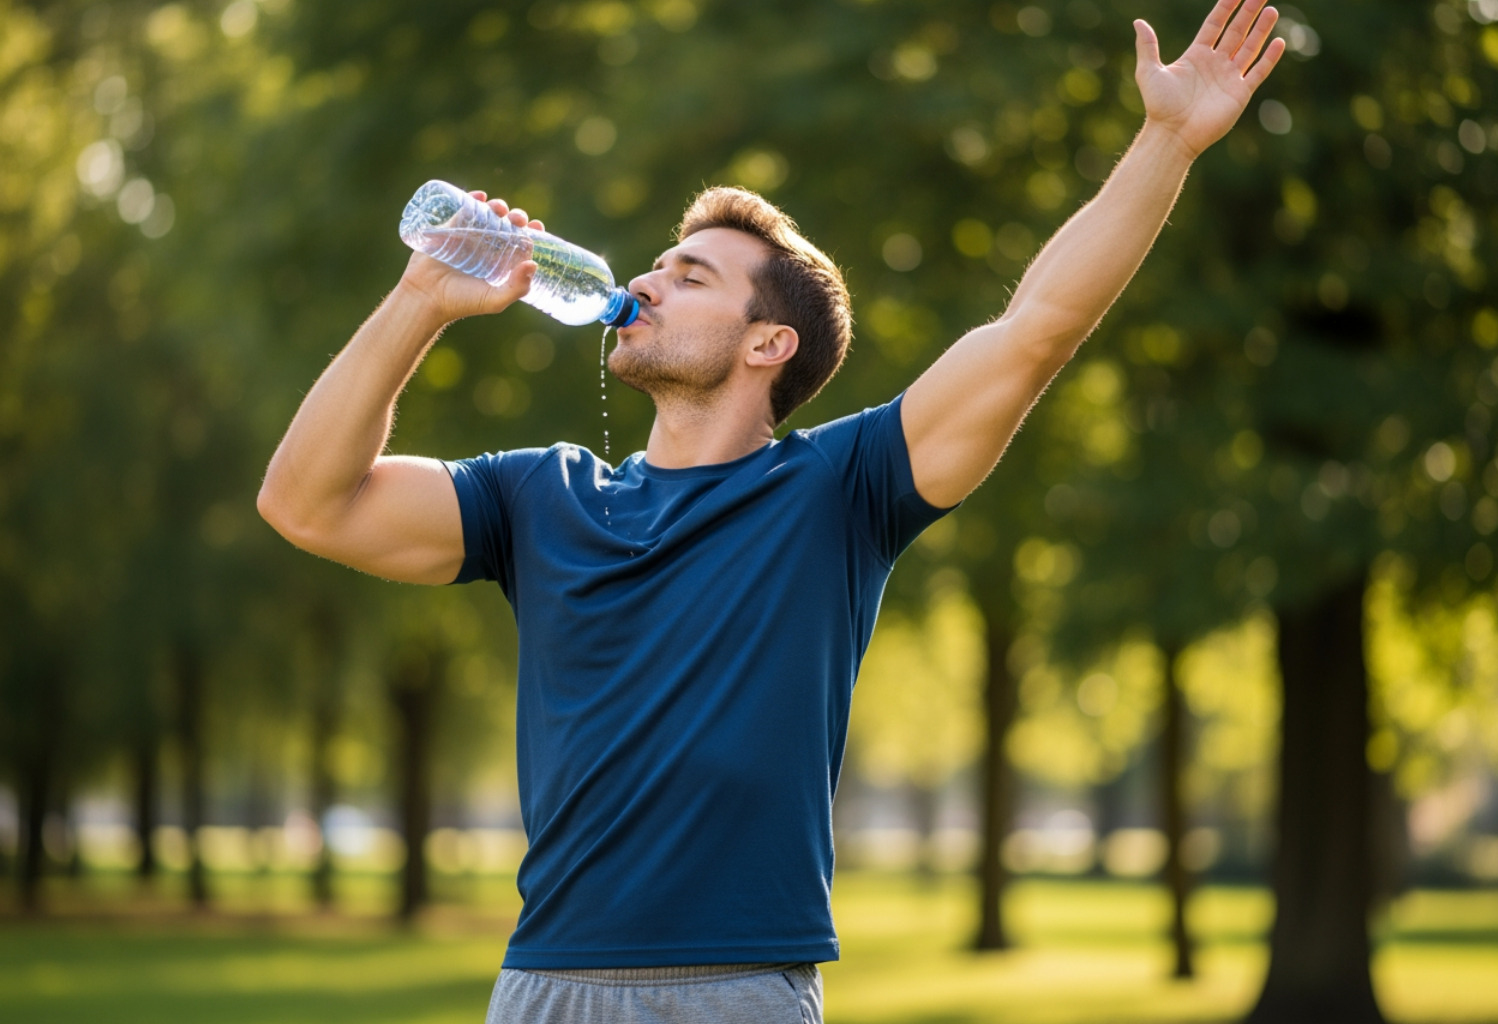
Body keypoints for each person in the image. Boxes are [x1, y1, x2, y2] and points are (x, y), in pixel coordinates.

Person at [257, 1, 1284, 1020]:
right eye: (658, 265)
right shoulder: (539, 496)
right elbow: (306, 502)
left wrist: (1166, 139)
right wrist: (421, 300)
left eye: (690, 274)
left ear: (767, 344)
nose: (649, 282)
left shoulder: (840, 491)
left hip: (740, 990)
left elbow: (1034, 332)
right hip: (546, 985)